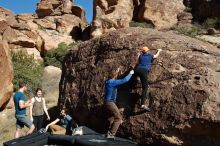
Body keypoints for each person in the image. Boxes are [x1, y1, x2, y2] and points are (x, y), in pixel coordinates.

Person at [104, 67, 134, 139]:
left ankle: (109, 131)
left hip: (109, 102)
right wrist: (130, 73)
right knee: (118, 118)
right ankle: (111, 134)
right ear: (115, 75)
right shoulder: (112, 82)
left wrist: (117, 71)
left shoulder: (108, 81)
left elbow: (116, 77)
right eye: (116, 74)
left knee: (118, 112)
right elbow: (125, 80)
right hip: (110, 102)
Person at [133, 46, 162, 111]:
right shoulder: (150, 55)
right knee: (145, 88)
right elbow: (155, 56)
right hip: (144, 70)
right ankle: (142, 104)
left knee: (133, 78)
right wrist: (159, 51)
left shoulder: (140, 56)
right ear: (148, 51)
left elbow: (138, 60)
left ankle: (131, 85)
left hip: (137, 69)